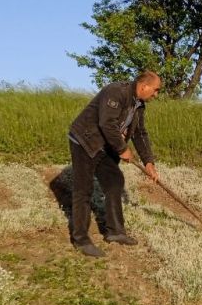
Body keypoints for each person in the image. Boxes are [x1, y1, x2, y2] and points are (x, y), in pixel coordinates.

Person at [67, 71, 161, 257]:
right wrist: (122, 149)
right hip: (85, 140)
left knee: (114, 182)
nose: (156, 95)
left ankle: (115, 232)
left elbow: (139, 133)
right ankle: (81, 240)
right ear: (144, 86)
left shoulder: (139, 105)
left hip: (105, 145)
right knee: (83, 189)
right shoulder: (116, 92)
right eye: (156, 90)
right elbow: (107, 123)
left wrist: (148, 162)